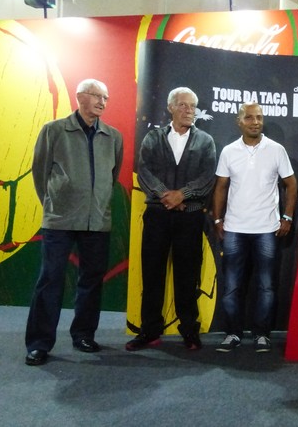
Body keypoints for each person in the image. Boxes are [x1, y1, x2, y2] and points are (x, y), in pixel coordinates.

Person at [25, 79, 123, 366]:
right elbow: (40, 172)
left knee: (91, 281)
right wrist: (54, 203)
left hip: (97, 221)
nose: (103, 103)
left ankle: (83, 334)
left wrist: (97, 201)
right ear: (80, 97)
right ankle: (39, 343)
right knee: (50, 279)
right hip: (60, 220)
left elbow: (112, 176)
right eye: (97, 96)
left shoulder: (113, 136)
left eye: (106, 98)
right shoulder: (54, 130)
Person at [126, 87, 216, 351]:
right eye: (184, 105)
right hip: (157, 216)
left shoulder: (206, 141)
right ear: (170, 108)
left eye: (193, 106)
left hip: (190, 218)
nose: (190, 111)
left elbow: (207, 176)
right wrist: (165, 195)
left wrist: (183, 195)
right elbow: (144, 171)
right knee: (152, 275)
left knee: (187, 276)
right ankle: (149, 331)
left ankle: (189, 330)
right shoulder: (152, 138)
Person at [212, 102, 297, 354]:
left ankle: (262, 334)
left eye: (259, 117)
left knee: (266, 286)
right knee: (231, 286)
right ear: (239, 122)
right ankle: (232, 334)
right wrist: (218, 220)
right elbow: (220, 188)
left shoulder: (276, 150)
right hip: (235, 229)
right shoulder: (228, 151)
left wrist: (288, 217)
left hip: (266, 229)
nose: (256, 122)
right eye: (249, 118)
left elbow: (292, 185)